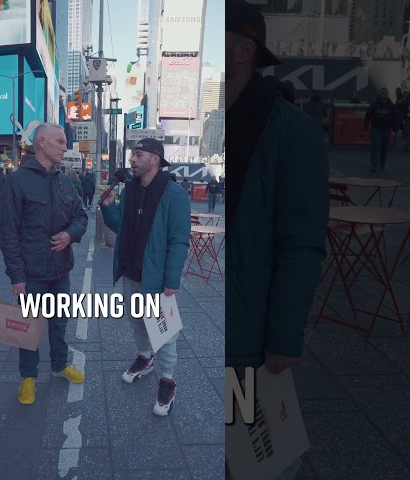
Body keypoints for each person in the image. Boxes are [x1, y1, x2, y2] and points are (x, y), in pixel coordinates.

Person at [225, 2, 329, 478]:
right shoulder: (217, 124)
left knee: (249, 457)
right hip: (213, 327)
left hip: (249, 338)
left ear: (245, 49)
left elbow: (302, 241)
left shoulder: (292, 131)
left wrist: (284, 337)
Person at [0, 123, 88, 405]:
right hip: (31, 273)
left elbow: (81, 217)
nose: (65, 147)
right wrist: (16, 276)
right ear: (42, 143)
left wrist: (68, 235)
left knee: (59, 322)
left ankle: (60, 365)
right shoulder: (18, 181)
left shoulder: (64, 180)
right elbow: (7, 232)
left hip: (61, 270)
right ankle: (28, 377)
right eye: (60, 142)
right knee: (28, 328)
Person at [100, 138, 191, 416]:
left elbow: (179, 241)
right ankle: (144, 357)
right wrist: (108, 206)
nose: (132, 159)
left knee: (163, 330)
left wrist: (171, 280)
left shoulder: (174, 194)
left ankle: (168, 379)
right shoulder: (129, 191)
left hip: (157, 278)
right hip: (131, 271)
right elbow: (121, 227)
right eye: (132, 154)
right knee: (136, 320)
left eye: (138, 154)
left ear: (155, 159)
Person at [362, 87, 398, 173]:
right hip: (376, 130)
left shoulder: (392, 106)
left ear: (387, 94)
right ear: (379, 94)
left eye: (385, 93)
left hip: (387, 130)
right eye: (382, 93)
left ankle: (382, 164)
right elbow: (368, 116)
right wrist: (365, 127)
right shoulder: (374, 105)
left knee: (384, 149)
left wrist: (394, 130)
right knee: (375, 148)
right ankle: (373, 166)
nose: (384, 95)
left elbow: (395, 119)